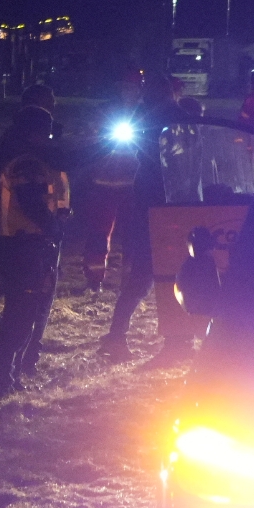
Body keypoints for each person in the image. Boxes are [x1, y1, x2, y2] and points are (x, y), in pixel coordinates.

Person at [100, 73, 197, 360]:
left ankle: (120, 336)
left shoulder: (146, 118)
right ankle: (176, 340)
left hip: (153, 206)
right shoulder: (175, 118)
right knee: (172, 273)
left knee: (145, 275)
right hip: (171, 206)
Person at [0, 105, 71, 400]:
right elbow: (32, 204)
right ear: (35, 133)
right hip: (22, 245)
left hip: (25, 244)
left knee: (26, 313)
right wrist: (54, 227)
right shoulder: (26, 163)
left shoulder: (24, 157)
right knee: (19, 317)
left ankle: (10, 377)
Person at [79, 69, 149, 293]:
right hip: (104, 184)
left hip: (133, 186)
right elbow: (90, 135)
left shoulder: (146, 112)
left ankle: (129, 280)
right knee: (99, 234)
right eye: (124, 87)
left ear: (139, 89)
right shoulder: (105, 110)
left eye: (132, 87)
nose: (127, 91)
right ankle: (94, 278)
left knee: (132, 237)